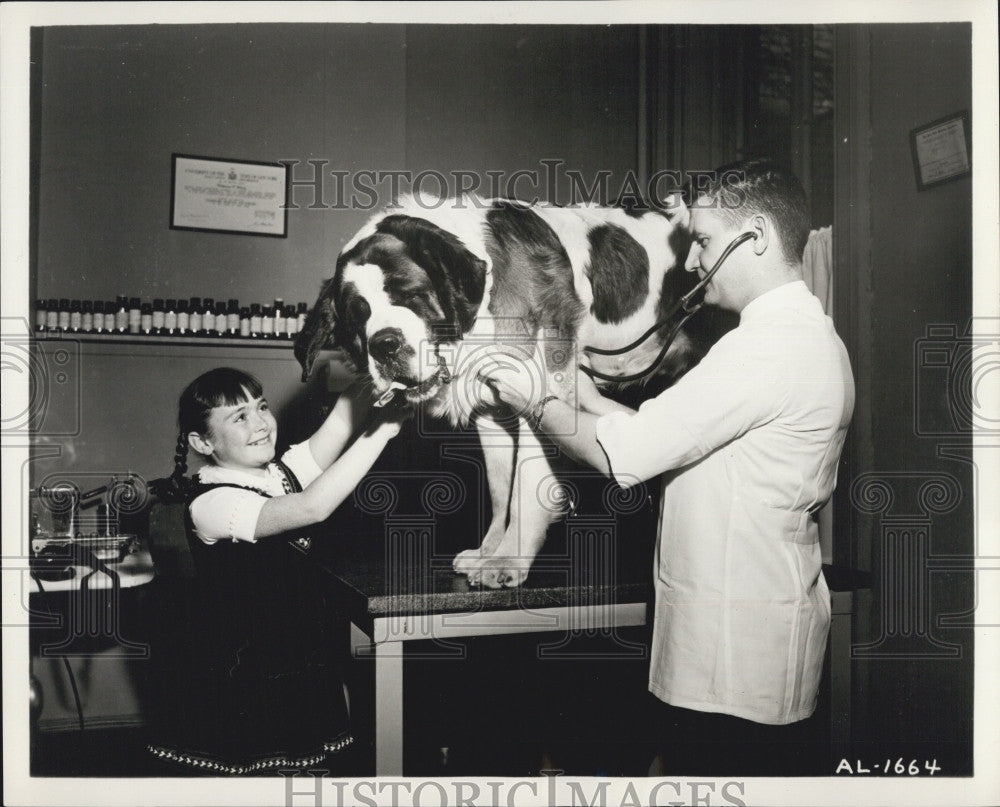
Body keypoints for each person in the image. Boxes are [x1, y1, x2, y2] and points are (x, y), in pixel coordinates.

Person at [479, 159, 855, 775]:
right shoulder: (802, 337)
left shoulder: (765, 349)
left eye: (704, 241)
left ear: (756, 235)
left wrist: (528, 394)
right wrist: (570, 383)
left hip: (732, 664)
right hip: (747, 643)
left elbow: (620, 453)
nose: (691, 262)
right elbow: (659, 427)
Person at [147, 367, 408, 775]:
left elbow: (341, 417)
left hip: (297, 664)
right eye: (239, 417)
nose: (261, 424)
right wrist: (384, 429)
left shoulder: (281, 474)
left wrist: (378, 369)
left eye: (261, 407)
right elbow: (312, 507)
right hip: (245, 688)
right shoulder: (211, 503)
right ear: (202, 441)